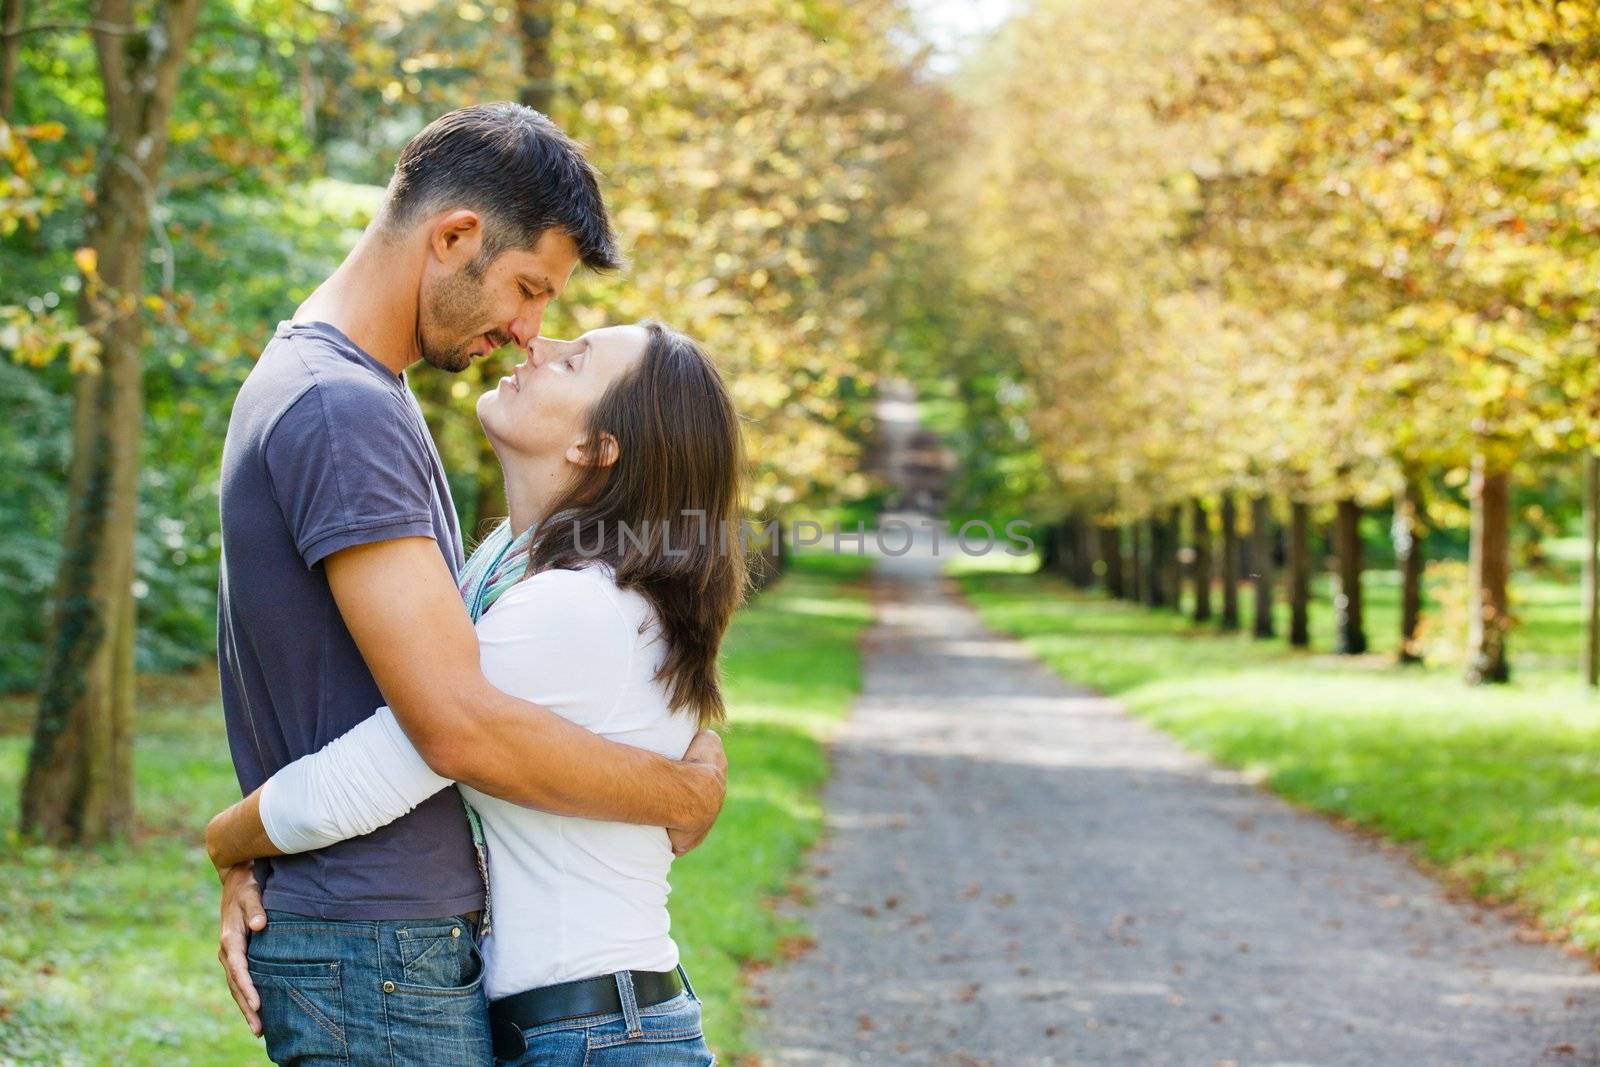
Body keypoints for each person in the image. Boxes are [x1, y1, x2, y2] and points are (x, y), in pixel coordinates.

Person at [213, 104, 728, 1064]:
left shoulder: (368, 401)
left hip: (409, 942)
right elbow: (454, 724)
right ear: (454, 237)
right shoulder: (344, 408)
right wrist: (682, 794)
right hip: (375, 939)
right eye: (528, 289)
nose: (531, 332)